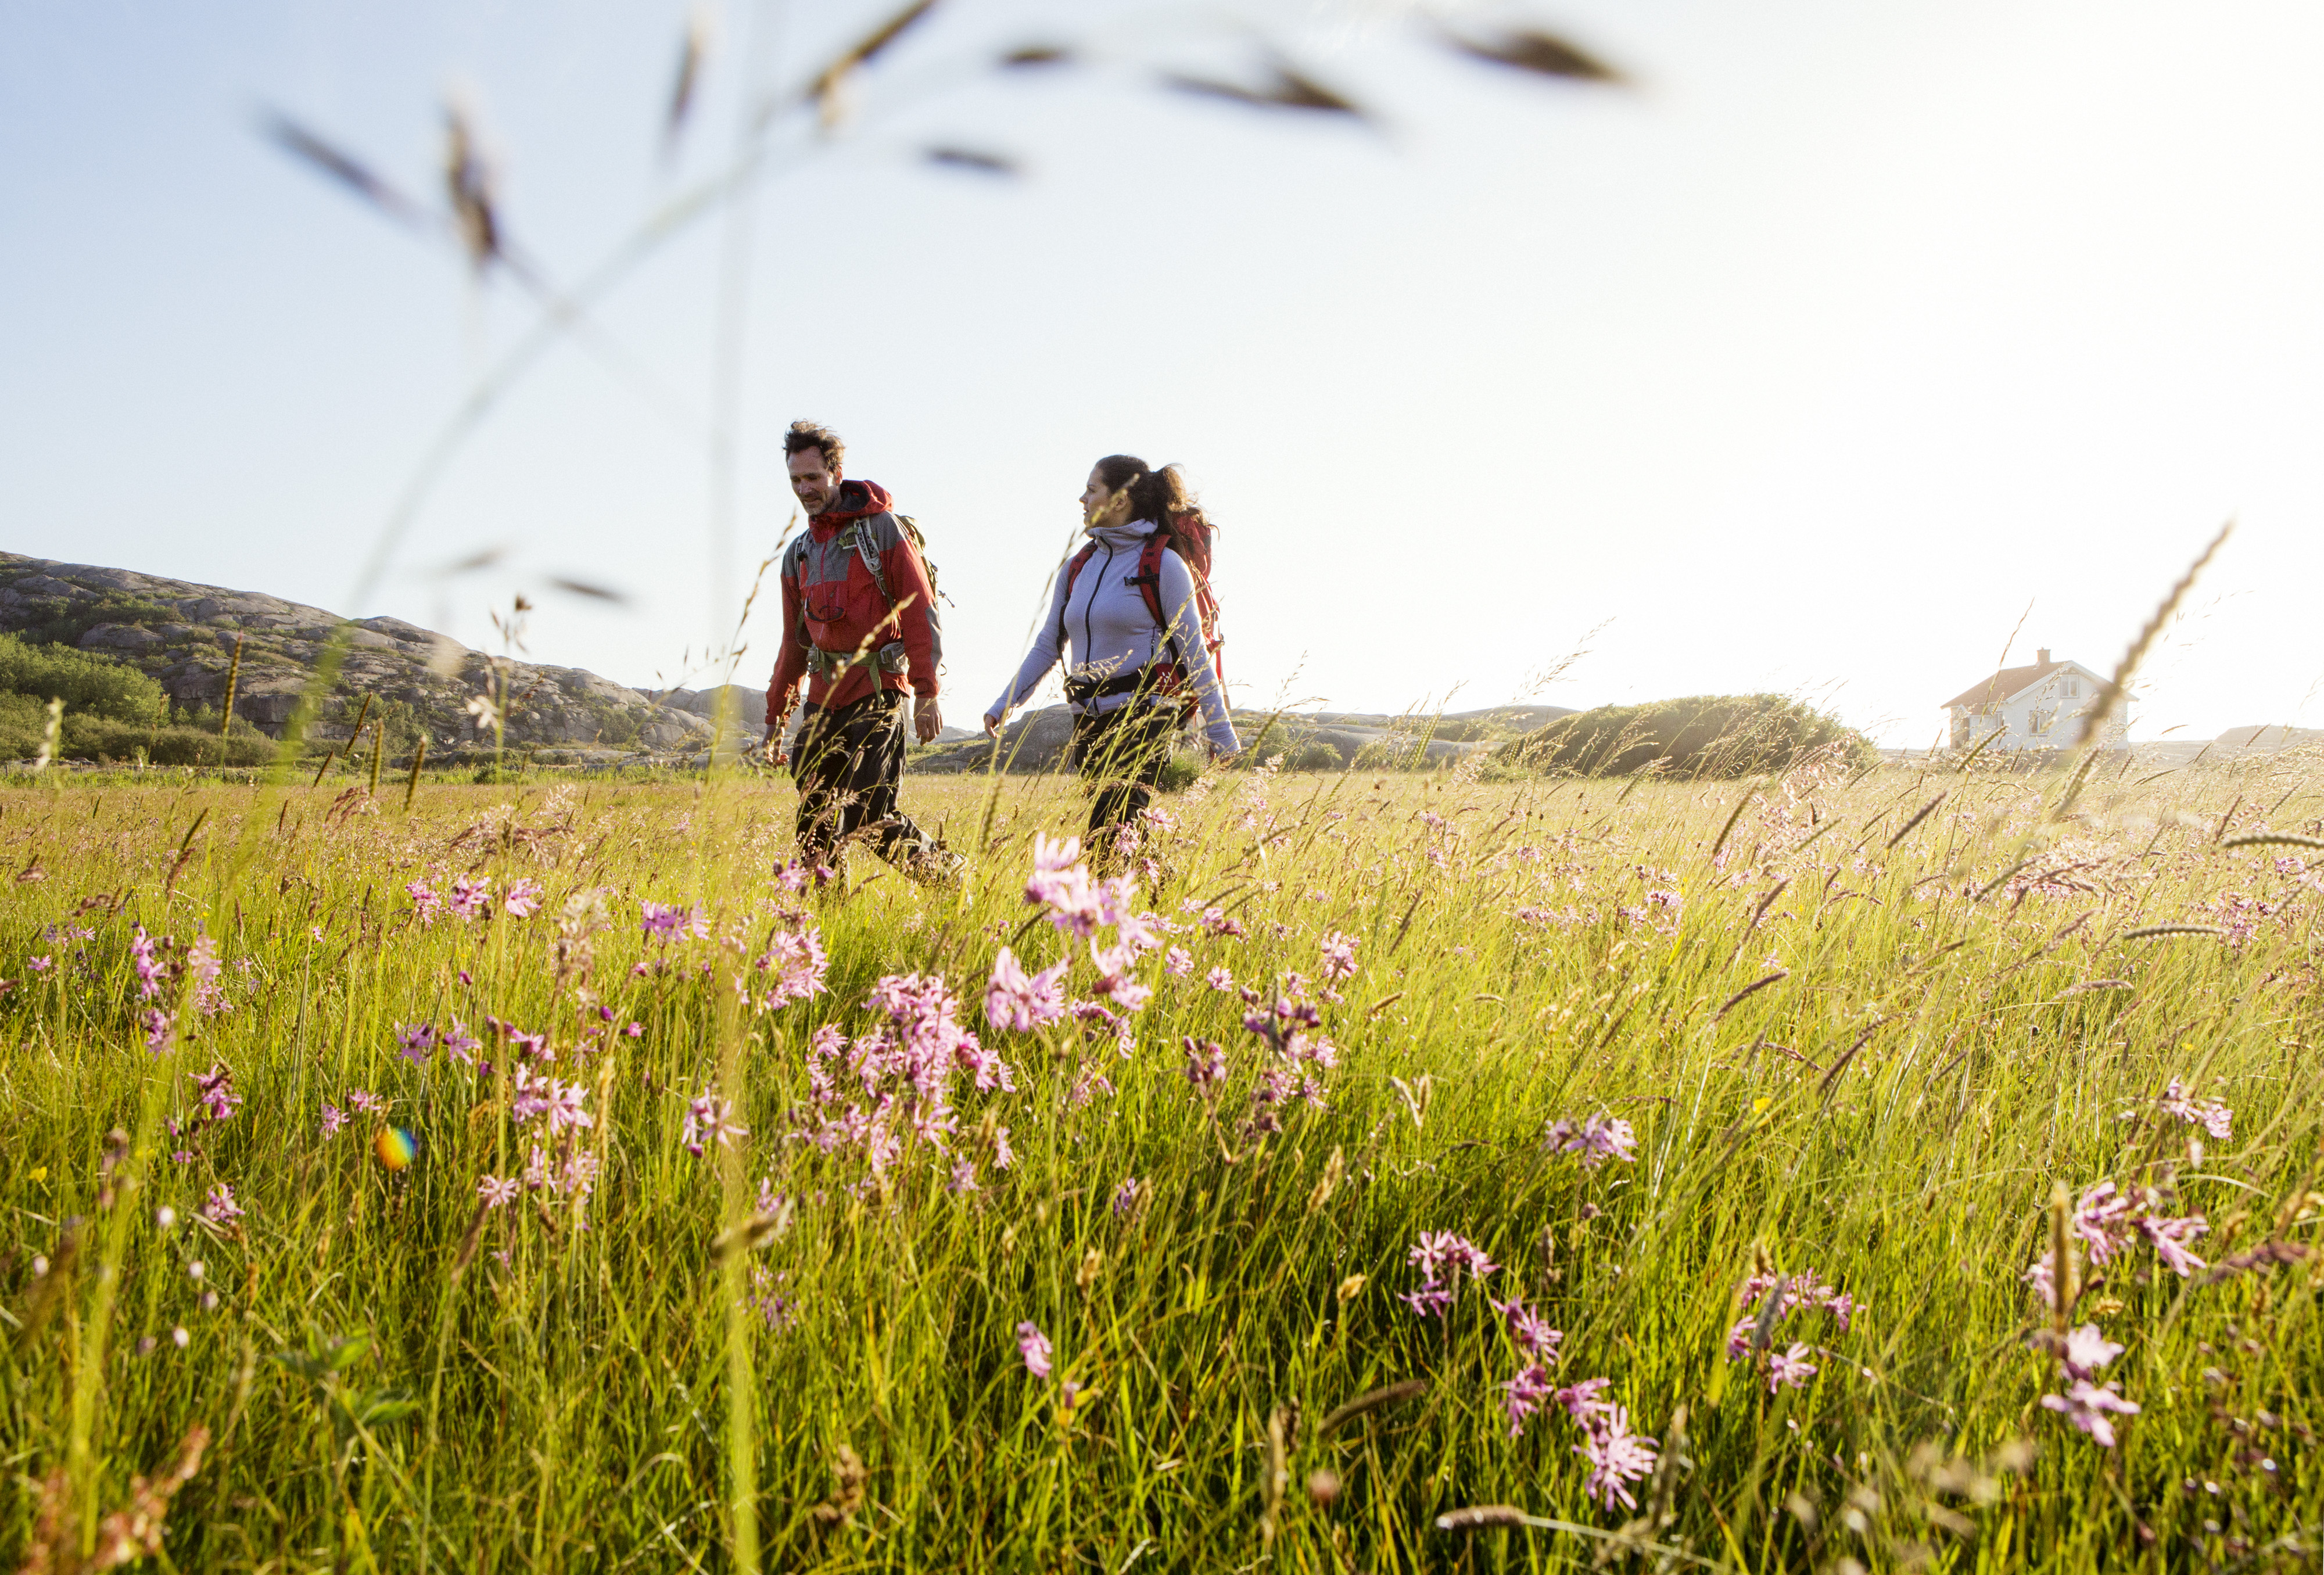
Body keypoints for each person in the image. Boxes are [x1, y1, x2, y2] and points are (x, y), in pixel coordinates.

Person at [984, 455, 1237, 864]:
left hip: (1143, 719)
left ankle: (1100, 921)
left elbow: (1193, 654)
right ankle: (1170, 902)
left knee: (1107, 838)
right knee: (1128, 838)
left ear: (1120, 499)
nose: (1082, 498)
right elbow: (1049, 644)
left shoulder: (1164, 565)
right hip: (1088, 722)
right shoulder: (1077, 567)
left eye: (1092, 489)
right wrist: (1005, 702)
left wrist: (1221, 734)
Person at [762, 420, 958, 884]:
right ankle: (828, 923)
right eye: (795, 480)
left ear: (836, 472)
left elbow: (919, 612)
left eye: (812, 477)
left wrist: (928, 692)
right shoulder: (799, 555)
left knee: (871, 811)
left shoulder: (882, 531)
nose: (804, 489)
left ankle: (950, 877)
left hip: (879, 690)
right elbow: (793, 643)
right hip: (823, 699)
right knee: (814, 815)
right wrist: (774, 719)